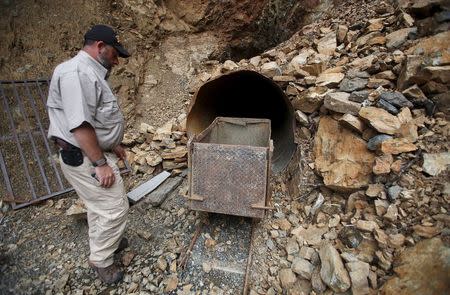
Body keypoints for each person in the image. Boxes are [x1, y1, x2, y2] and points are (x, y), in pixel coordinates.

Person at [47, 24, 131, 284]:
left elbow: (94, 120)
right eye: (115, 53)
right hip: (83, 157)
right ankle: (101, 261)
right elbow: (80, 125)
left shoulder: (85, 72)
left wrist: (111, 143)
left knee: (99, 204)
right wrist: (100, 162)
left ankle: (107, 242)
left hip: (86, 152)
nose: (117, 61)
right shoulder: (78, 73)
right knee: (116, 207)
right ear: (99, 47)